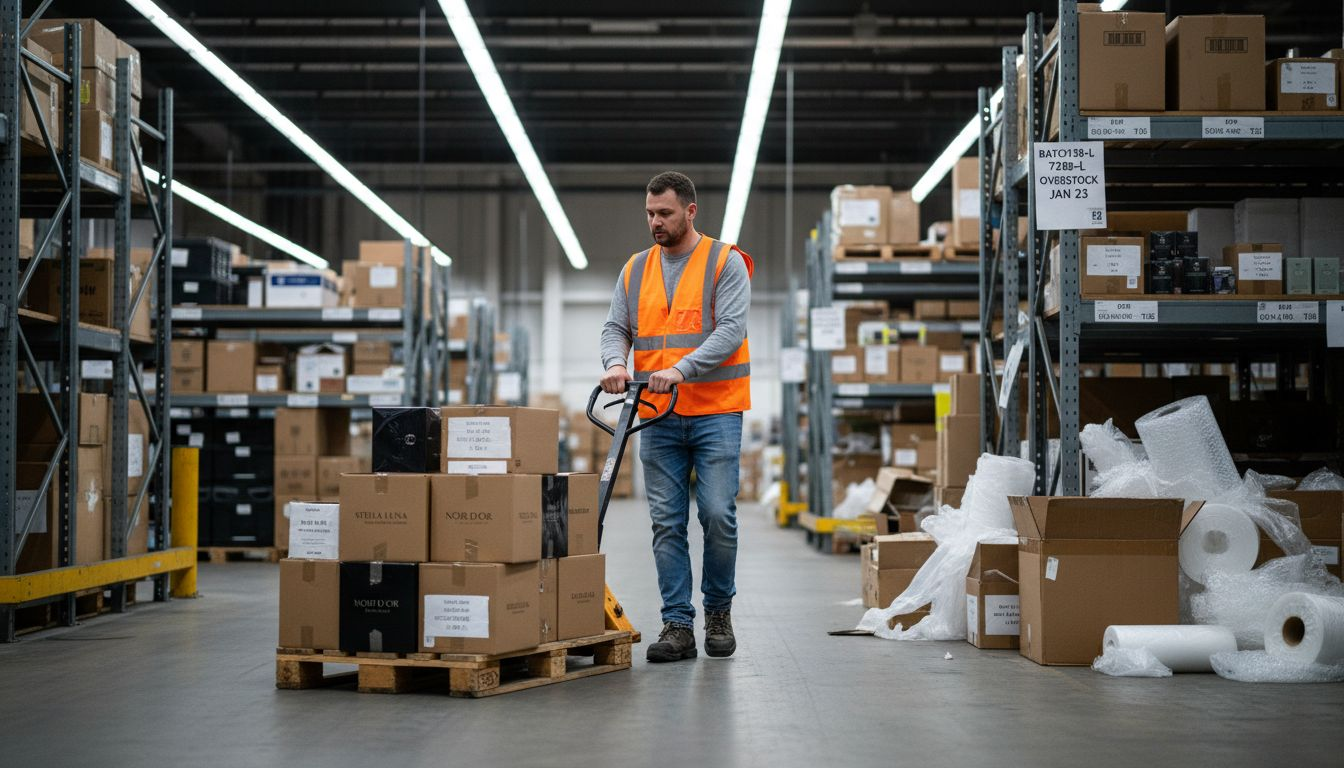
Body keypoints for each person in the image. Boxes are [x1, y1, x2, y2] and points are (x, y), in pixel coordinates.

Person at [600, 171, 753, 663]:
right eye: (649, 213)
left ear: (690, 211)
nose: (655, 222)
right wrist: (617, 364)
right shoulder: (635, 268)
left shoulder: (725, 263)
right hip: (656, 415)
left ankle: (718, 612)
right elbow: (615, 328)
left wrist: (680, 370)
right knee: (666, 523)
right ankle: (677, 625)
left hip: (716, 411)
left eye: (664, 213)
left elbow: (730, 331)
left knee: (716, 515)